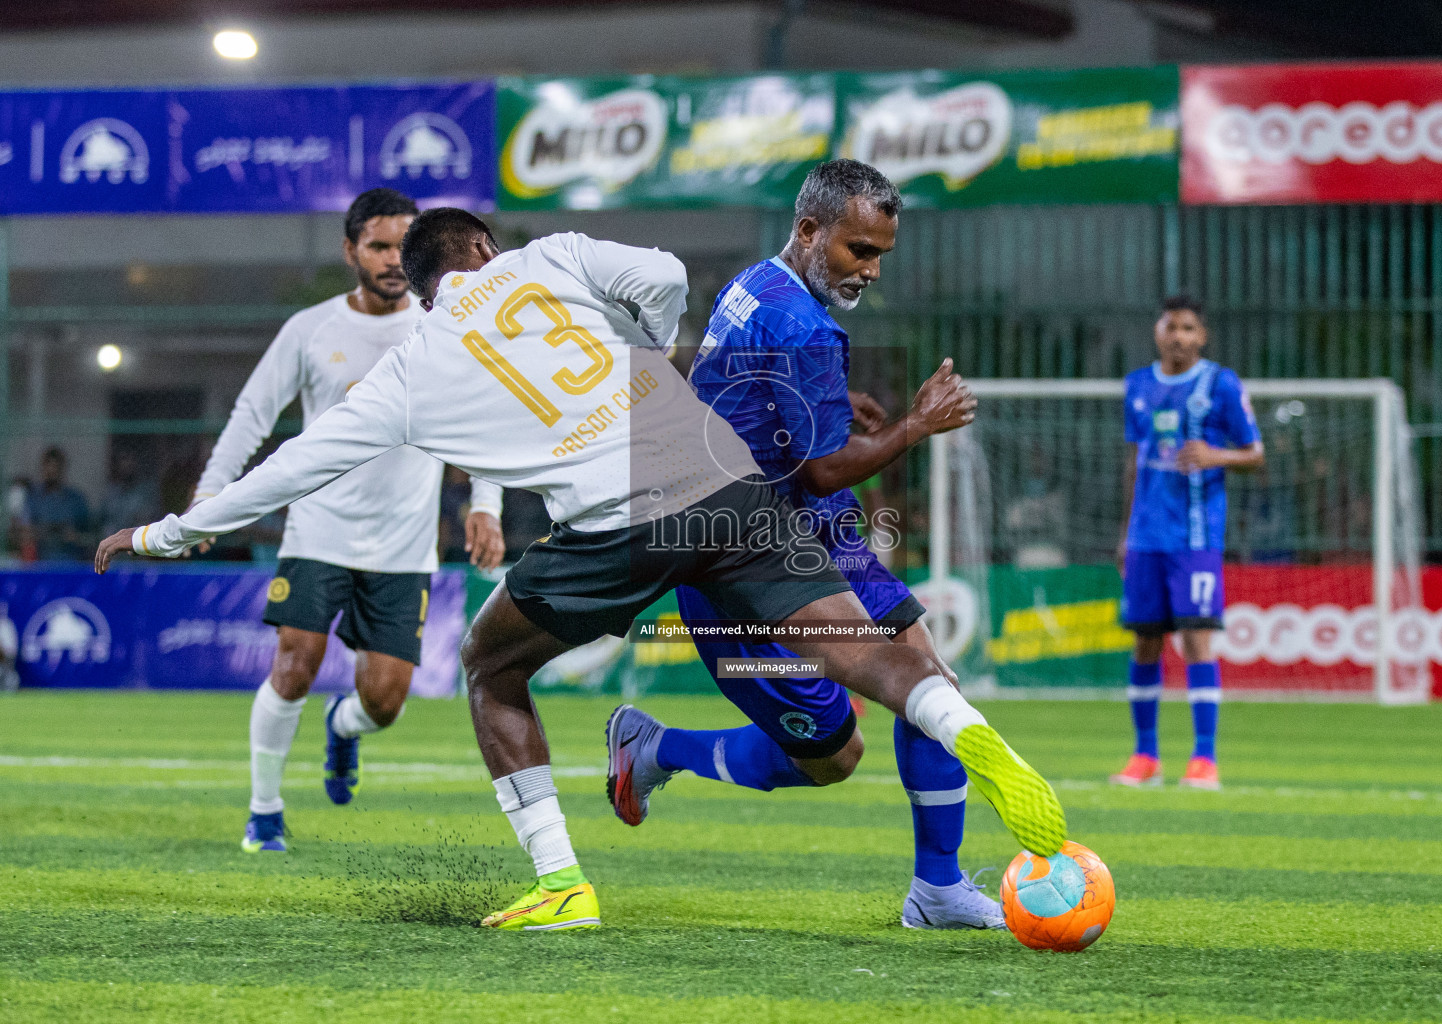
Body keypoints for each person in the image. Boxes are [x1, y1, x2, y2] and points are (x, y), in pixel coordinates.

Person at [96, 207, 1067, 932]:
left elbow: (296, 464)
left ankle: (563, 881)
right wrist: (648, 350)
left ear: (423, 279)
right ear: (482, 250)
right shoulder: (549, 257)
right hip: (719, 473)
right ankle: (968, 729)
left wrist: (168, 535)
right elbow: (665, 270)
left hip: (615, 527)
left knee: (489, 664)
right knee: (861, 651)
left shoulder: (405, 371)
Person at [603, 160, 1001, 930]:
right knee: (833, 756)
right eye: (859, 250)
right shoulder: (805, 324)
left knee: (929, 680)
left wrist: (811, 402)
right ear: (810, 230)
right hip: (737, 557)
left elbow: (716, 383)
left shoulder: (754, 281)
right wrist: (916, 426)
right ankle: (655, 749)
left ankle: (939, 889)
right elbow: (820, 470)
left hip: (821, 534)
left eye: (881, 253)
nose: (872, 270)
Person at [187, 189, 506, 854]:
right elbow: (251, 417)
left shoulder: (445, 327)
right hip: (317, 535)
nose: (393, 259)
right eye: (379, 246)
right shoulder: (309, 330)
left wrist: (485, 505)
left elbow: (487, 417)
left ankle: (344, 727)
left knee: (384, 702)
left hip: (404, 547)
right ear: (350, 251)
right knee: (295, 665)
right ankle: (264, 811)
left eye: (402, 245)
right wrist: (209, 499)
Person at [1111, 295, 1264, 791]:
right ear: (1158, 331)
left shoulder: (1220, 384)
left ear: (1203, 337)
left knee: (1197, 639)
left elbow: (1256, 453)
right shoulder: (1137, 385)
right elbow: (1135, 463)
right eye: (1172, 326)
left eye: (1189, 328)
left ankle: (1204, 759)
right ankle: (1145, 756)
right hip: (1144, 539)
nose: (1179, 336)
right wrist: (1124, 533)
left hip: (1195, 538)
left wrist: (1216, 454)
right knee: (1145, 642)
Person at [24, 448, 92, 561]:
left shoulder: (76, 500)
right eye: (48, 466)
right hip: (40, 563)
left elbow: (91, 538)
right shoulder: (33, 499)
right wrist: (40, 533)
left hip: (71, 562)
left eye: (55, 467)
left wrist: (74, 536)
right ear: (42, 468)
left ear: (62, 469)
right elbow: (24, 534)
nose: (51, 472)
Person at [99, 450, 159, 537]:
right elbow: (100, 521)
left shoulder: (146, 492)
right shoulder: (112, 492)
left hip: (136, 544)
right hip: (111, 544)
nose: (127, 465)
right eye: (123, 460)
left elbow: (148, 522)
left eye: (130, 461)